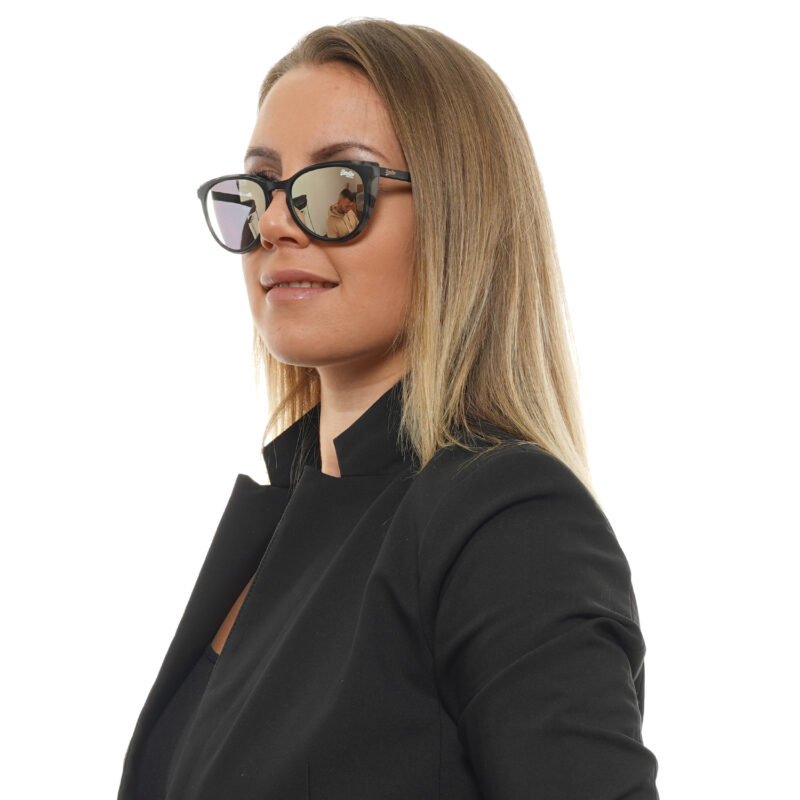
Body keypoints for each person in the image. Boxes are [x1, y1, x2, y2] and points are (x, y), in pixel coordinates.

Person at [118, 19, 660, 800]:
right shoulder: (284, 525)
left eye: (339, 190)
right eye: (259, 189)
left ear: (455, 218)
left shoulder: (507, 521)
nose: (274, 223)